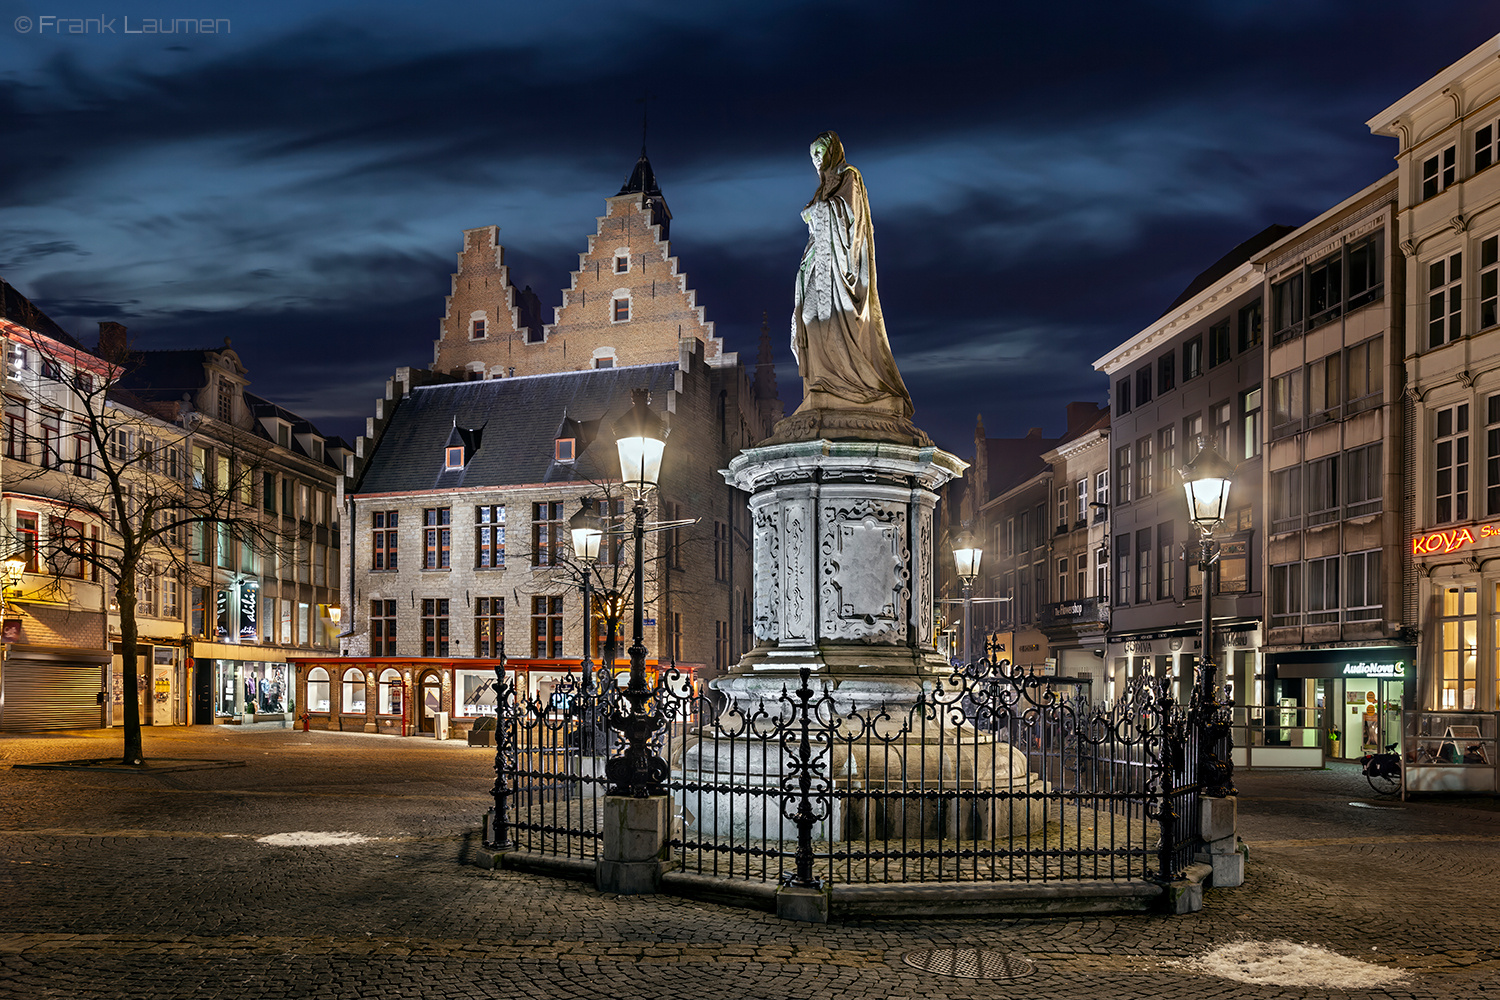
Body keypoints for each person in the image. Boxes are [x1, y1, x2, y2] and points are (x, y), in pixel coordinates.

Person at [791, 131, 914, 419]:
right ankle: (823, 381)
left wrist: (818, 211)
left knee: (835, 321)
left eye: (820, 152)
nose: (817, 160)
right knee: (809, 320)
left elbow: (851, 217)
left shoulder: (849, 176)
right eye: (813, 156)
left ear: (833, 151)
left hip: (840, 270)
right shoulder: (821, 190)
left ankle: (849, 382)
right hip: (818, 269)